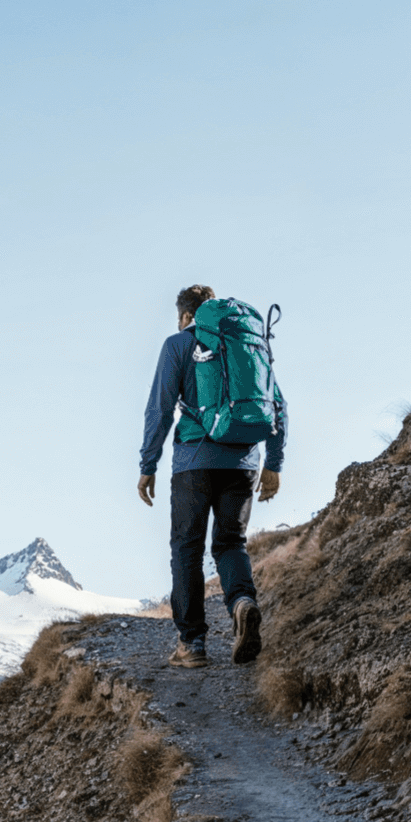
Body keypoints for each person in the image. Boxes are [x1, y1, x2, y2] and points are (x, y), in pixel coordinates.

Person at [136, 284, 285, 667]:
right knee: (231, 543)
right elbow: (277, 405)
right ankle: (242, 602)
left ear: (187, 316)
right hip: (243, 463)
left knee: (187, 548)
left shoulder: (178, 345)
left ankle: (192, 645)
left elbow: (160, 409)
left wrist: (147, 465)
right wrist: (273, 463)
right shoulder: (243, 342)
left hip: (193, 464)